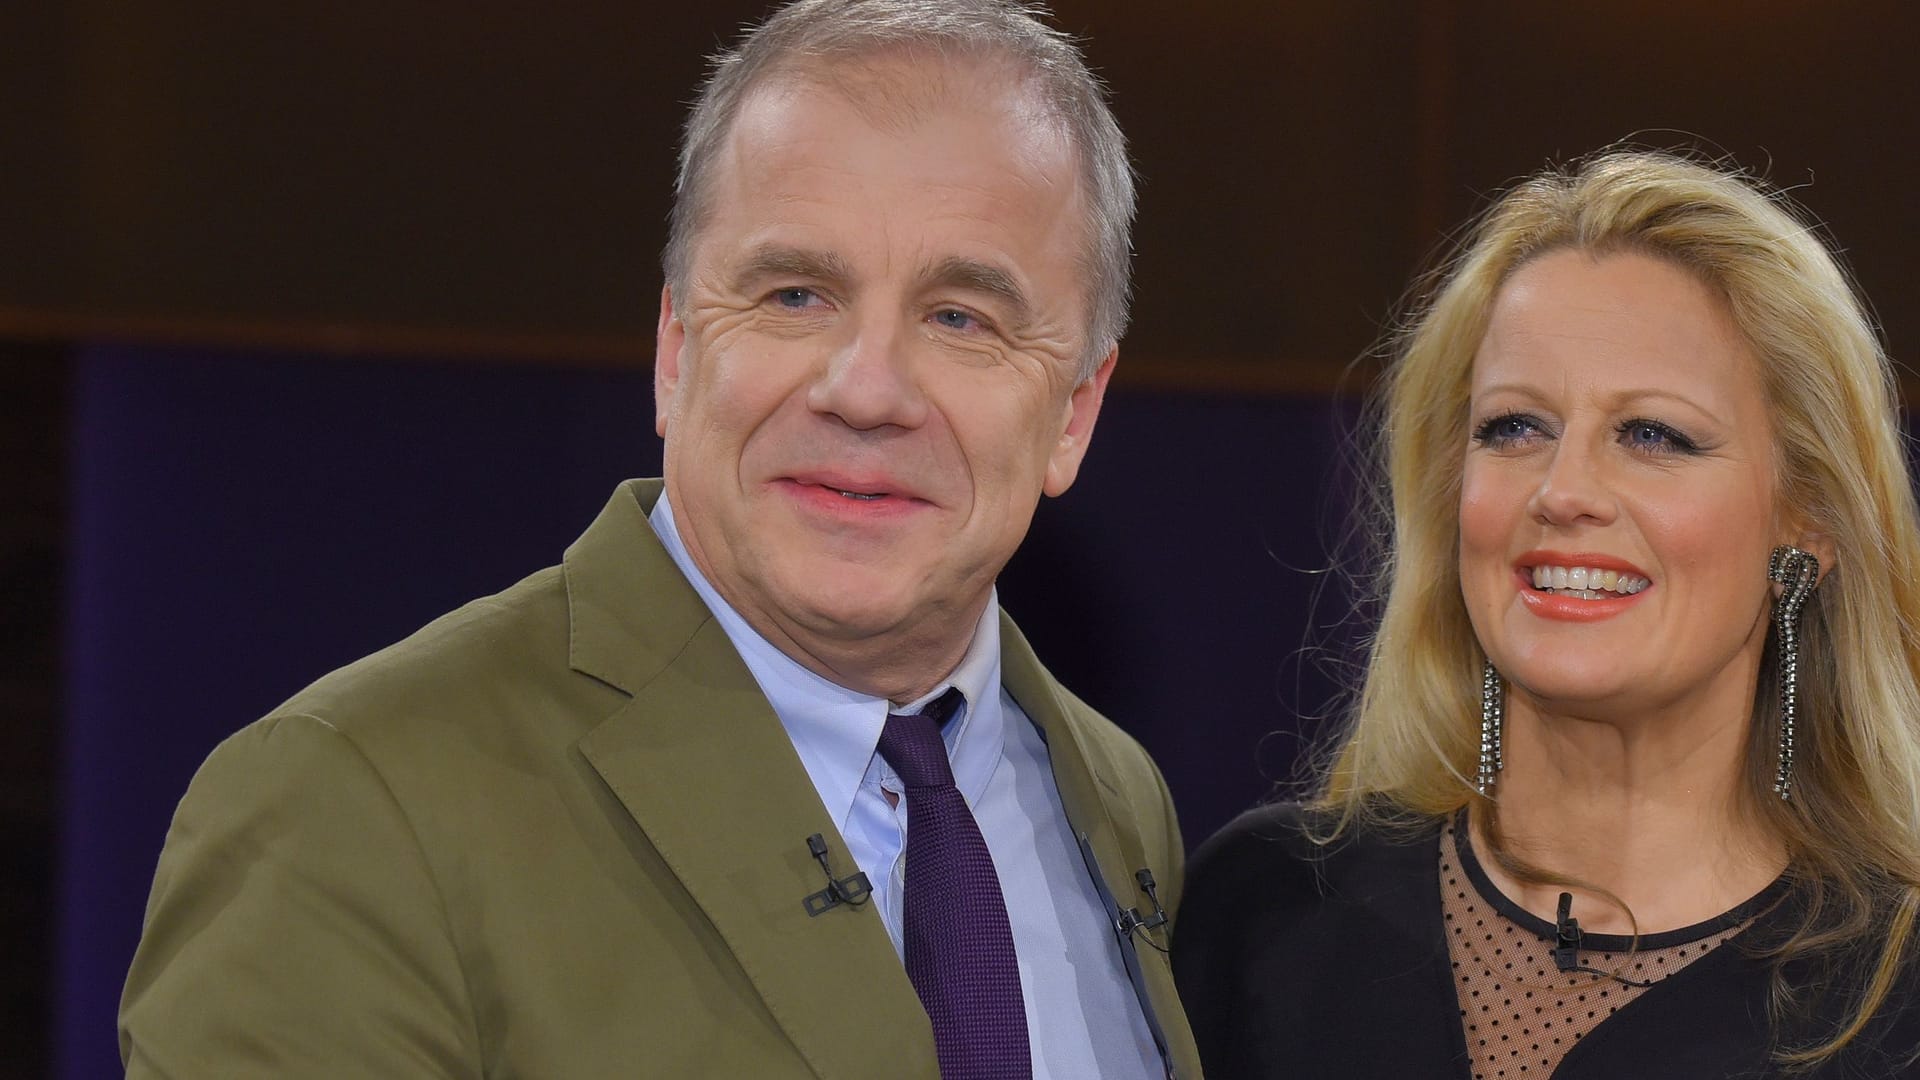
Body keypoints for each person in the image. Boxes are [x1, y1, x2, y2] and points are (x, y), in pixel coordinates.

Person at [119, 2, 1200, 1076]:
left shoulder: (1116, 801)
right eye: (795, 295)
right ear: (676, 349)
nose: (866, 390)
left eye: (962, 317)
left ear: (1073, 413)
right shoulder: (351, 805)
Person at [1174, 150, 1920, 1078]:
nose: (1563, 491)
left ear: (1806, 521)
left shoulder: (1898, 997)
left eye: (1654, 435)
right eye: (1514, 428)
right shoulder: (1262, 909)